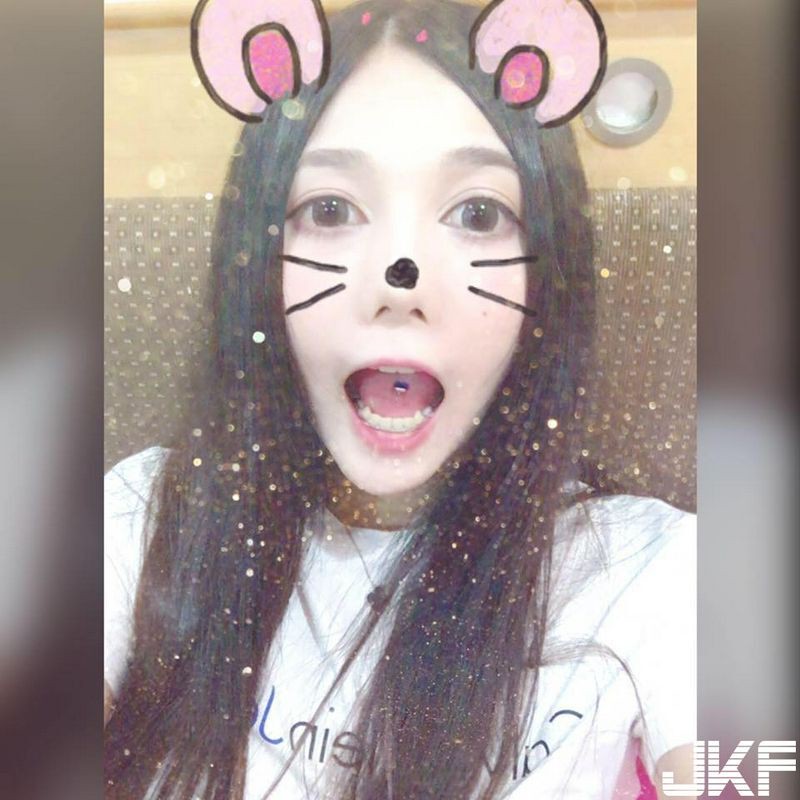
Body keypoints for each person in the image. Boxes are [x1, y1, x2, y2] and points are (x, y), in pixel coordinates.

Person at [104, 1, 696, 798]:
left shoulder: (648, 570)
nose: (400, 279)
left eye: (479, 214)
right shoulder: (143, 520)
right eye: (329, 210)